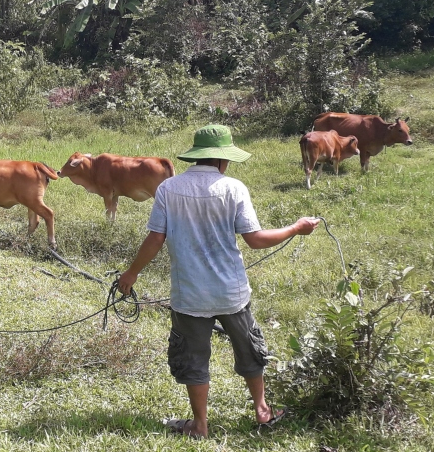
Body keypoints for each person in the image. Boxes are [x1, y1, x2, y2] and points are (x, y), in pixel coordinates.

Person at [116, 124, 320, 439]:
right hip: (232, 293)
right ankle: (263, 411)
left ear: (197, 156)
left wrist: (131, 274)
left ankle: (199, 426)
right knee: (249, 351)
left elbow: (156, 238)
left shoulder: (169, 189)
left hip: (189, 296)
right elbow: (256, 239)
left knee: (194, 359)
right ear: (223, 160)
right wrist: (295, 227)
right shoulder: (233, 188)